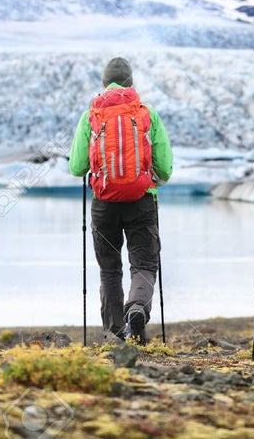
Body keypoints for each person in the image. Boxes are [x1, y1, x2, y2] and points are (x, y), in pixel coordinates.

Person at [69, 57, 173, 345]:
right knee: (143, 262)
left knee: (110, 268)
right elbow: (164, 166)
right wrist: (153, 180)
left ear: (104, 84)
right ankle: (137, 309)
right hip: (142, 200)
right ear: (131, 83)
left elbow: (77, 167)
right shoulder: (146, 113)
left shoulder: (91, 115)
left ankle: (113, 333)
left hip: (104, 203)